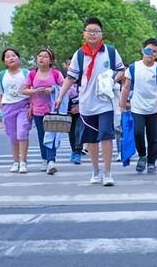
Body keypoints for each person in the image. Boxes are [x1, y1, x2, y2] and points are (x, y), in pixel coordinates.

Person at [55, 17, 125, 186]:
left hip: (106, 101)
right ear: (84, 34)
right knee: (91, 139)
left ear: (101, 34)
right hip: (87, 103)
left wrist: (113, 79)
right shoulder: (79, 55)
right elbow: (70, 77)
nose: (93, 34)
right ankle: (95, 171)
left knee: (106, 136)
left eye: (96, 31)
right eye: (90, 31)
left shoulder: (110, 51)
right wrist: (60, 97)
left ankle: (107, 173)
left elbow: (122, 70)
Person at [120, 38, 157, 174]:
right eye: (148, 50)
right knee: (137, 132)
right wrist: (122, 103)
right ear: (142, 50)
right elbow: (126, 87)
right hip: (137, 108)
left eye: (154, 52)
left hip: (154, 109)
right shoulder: (133, 68)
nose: (151, 54)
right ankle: (142, 155)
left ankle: (151, 162)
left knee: (153, 137)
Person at [23, 48, 65, 175]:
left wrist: (53, 90)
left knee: (51, 134)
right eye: (39, 56)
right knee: (42, 135)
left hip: (52, 109)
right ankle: (44, 159)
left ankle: (51, 160)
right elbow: (24, 90)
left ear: (51, 60)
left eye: (45, 56)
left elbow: (65, 88)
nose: (42, 58)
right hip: (37, 109)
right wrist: (36, 91)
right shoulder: (32, 74)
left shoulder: (56, 74)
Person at [0, 48, 32, 173]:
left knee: (22, 132)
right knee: (13, 136)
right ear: (4, 61)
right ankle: (16, 161)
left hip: (24, 106)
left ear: (18, 58)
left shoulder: (26, 73)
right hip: (8, 107)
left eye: (13, 55)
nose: (11, 58)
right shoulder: (2, 75)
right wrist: (3, 109)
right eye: (7, 56)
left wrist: (31, 106)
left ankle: (23, 162)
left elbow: (32, 90)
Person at [62, 56, 83, 165]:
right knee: (71, 131)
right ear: (65, 66)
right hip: (68, 109)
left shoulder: (83, 79)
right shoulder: (63, 79)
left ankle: (78, 151)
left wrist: (79, 105)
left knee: (79, 130)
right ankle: (74, 151)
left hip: (82, 109)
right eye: (69, 64)